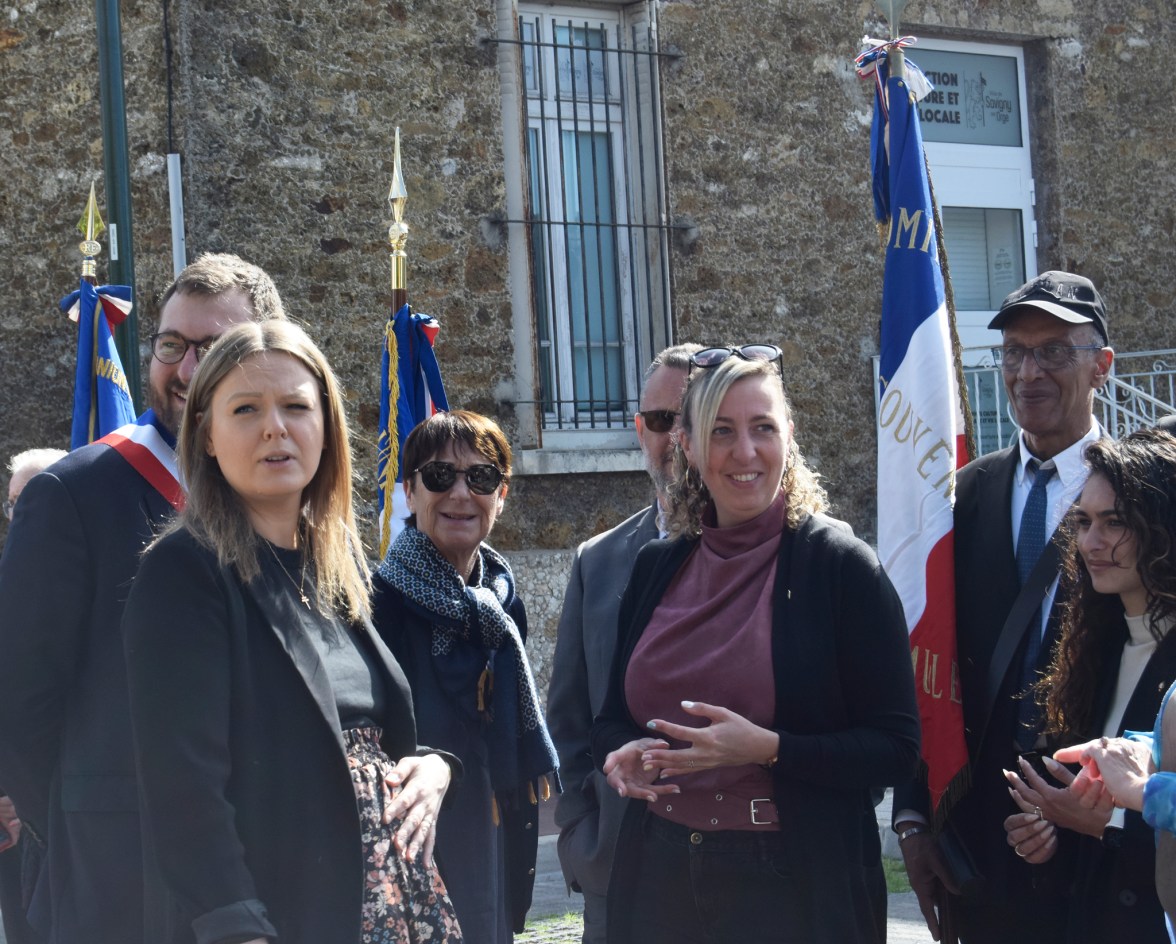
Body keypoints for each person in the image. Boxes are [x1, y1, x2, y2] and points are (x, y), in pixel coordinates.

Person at [122, 320, 463, 944]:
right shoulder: (185, 571)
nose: (275, 427)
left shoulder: (337, 566)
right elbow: (183, 788)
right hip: (280, 915)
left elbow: (368, 732)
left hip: (396, 905)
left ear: (326, 427)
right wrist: (237, 928)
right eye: (246, 409)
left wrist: (434, 767)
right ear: (207, 433)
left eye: (296, 407)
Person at [590, 345, 921, 943]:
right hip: (658, 873)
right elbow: (611, 719)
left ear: (788, 437)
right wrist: (623, 753)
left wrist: (769, 749)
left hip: (789, 883)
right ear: (688, 447)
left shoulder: (842, 568)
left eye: (762, 427)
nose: (745, 452)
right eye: (721, 431)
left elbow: (896, 749)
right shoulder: (656, 567)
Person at [0, 253, 285, 944]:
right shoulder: (75, 494)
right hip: (123, 882)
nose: (186, 369)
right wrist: (85, 823)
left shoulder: (289, 496)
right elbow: (21, 701)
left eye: (214, 348)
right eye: (171, 345)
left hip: (276, 858)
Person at [894, 270, 1115, 944]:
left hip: (1102, 852)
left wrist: (1094, 801)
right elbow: (926, 654)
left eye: (1054, 352)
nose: (1028, 373)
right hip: (981, 851)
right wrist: (914, 817)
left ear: (1102, 365)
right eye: (1015, 352)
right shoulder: (960, 498)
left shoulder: (1145, 497)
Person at [373, 410, 559, 944]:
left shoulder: (501, 607)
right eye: (439, 476)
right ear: (410, 493)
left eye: (480, 477)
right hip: (415, 851)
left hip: (495, 840)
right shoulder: (374, 606)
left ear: (501, 496)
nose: (460, 493)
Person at [546, 342, 700, 943]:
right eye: (662, 420)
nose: (676, 437)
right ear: (640, 430)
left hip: (745, 873)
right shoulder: (599, 561)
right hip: (623, 876)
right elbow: (570, 721)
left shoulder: (774, 553)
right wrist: (585, 842)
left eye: (693, 418)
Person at [1002, 430, 1176, 941]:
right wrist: (1048, 834)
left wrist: (1105, 823)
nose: (1090, 542)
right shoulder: (1090, 649)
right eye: (1083, 521)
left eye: (1114, 522)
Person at [0, 447, 64, 944]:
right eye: (14, 503)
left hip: (75, 819)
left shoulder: (113, 585)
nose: (22, 514)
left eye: (34, 499)